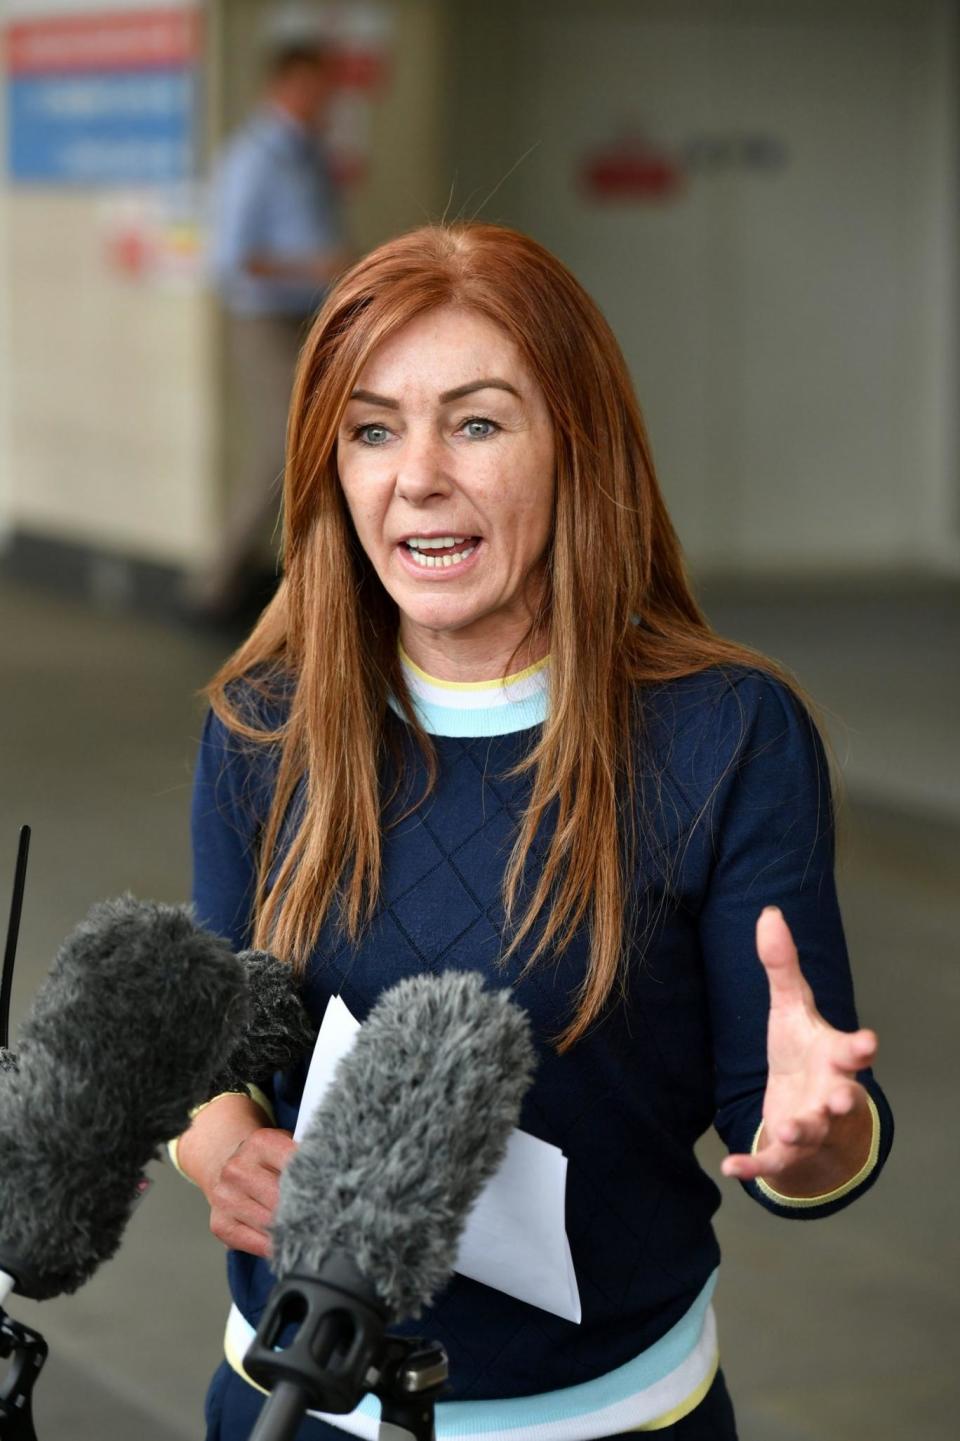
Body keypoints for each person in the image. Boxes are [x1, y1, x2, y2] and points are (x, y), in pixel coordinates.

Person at [173, 223, 893, 1440]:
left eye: (479, 422)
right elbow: (216, 1053)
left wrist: (818, 1135)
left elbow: (800, 1135)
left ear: (578, 449)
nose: (419, 478)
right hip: (292, 1402)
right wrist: (221, 1144)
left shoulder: (727, 734)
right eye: (373, 429)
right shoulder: (265, 721)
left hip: (605, 1418)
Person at [196, 40, 349, 620]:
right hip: (265, 319)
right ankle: (215, 585)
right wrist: (312, 266)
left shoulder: (309, 154)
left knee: (329, 440)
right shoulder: (252, 157)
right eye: (316, 88)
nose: (326, 100)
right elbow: (233, 258)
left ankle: (310, 584)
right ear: (284, 86)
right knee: (286, 448)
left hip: (313, 316)